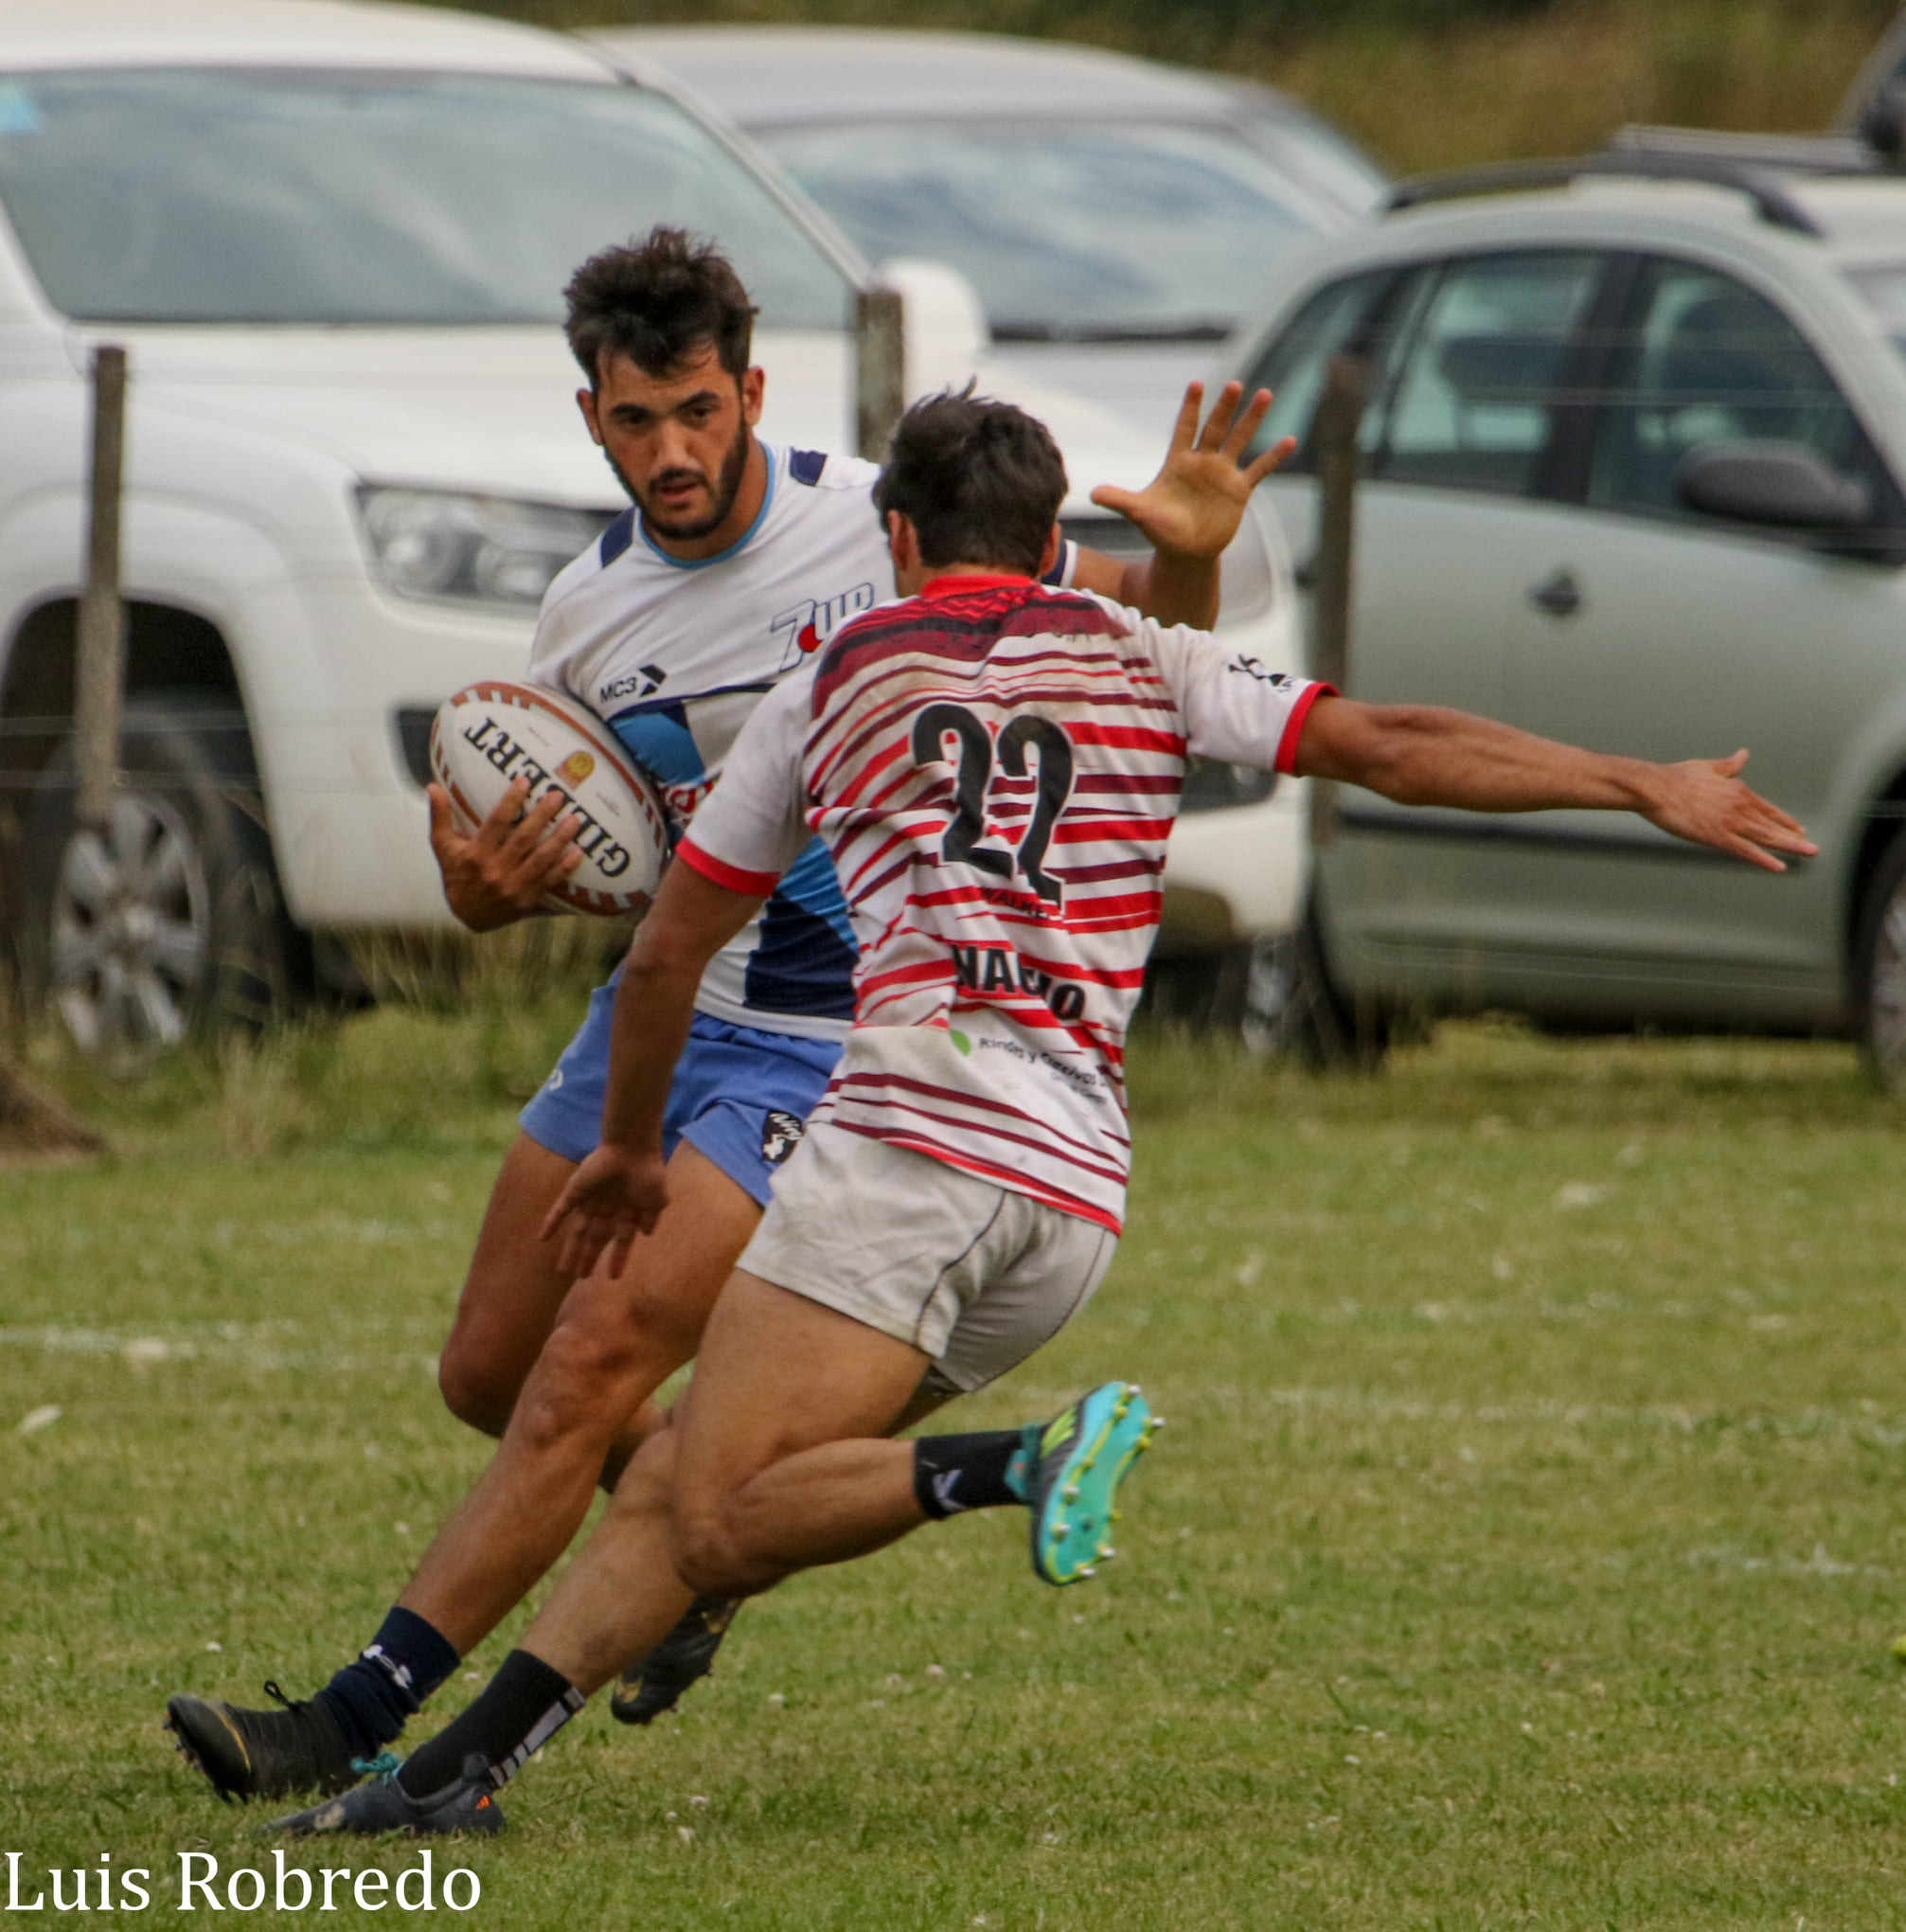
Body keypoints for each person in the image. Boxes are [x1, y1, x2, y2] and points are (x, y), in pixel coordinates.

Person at [270, 388, 1814, 1835]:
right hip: (1070, 1197)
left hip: (909, 1144)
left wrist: (621, 1149)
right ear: (1050, 536)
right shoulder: (1146, 654)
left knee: (726, 1511)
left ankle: (1017, 1464)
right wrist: (1634, 781)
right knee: (680, 1487)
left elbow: (673, 943)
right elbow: (1393, 745)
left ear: (896, 538)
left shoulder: (838, 673)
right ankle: (453, 1778)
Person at [164, 227, 1296, 1802]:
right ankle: (692, 1552)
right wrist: (493, 888)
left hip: (834, 1045)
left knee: (588, 1365)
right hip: (659, 1007)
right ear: (591, 419)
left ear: (749, 388)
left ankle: (354, 1720)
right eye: (636, 422)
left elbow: (1133, 645)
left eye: (699, 410)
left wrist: (1183, 546)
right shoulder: (585, 617)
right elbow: (578, 874)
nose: (673, 450)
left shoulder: (873, 528)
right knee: (488, 1372)